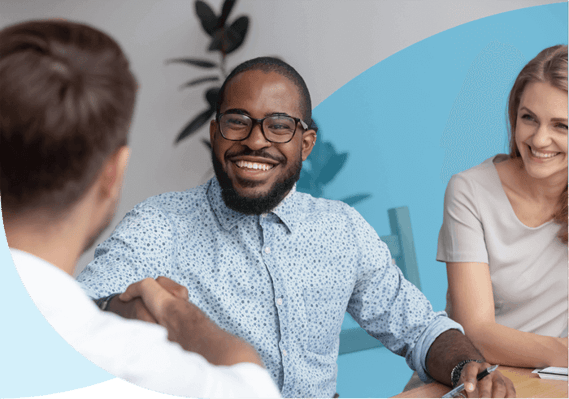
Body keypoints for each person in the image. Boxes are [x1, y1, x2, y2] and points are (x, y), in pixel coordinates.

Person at [78, 56, 515, 398]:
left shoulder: (341, 230)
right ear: (215, 133)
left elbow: (419, 329)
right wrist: (142, 310)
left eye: (279, 126)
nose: (255, 140)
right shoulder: (159, 224)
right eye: (237, 122)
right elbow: (76, 318)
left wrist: (466, 368)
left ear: (304, 144)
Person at [0, 19, 281, 398]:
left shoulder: (342, 228)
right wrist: (177, 316)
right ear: (112, 174)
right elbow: (253, 391)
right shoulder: (129, 365)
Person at [438, 45, 568, 368]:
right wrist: (563, 354)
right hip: (478, 380)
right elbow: (477, 332)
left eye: (560, 126)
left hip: (550, 382)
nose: (539, 140)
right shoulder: (469, 192)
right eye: (529, 119)